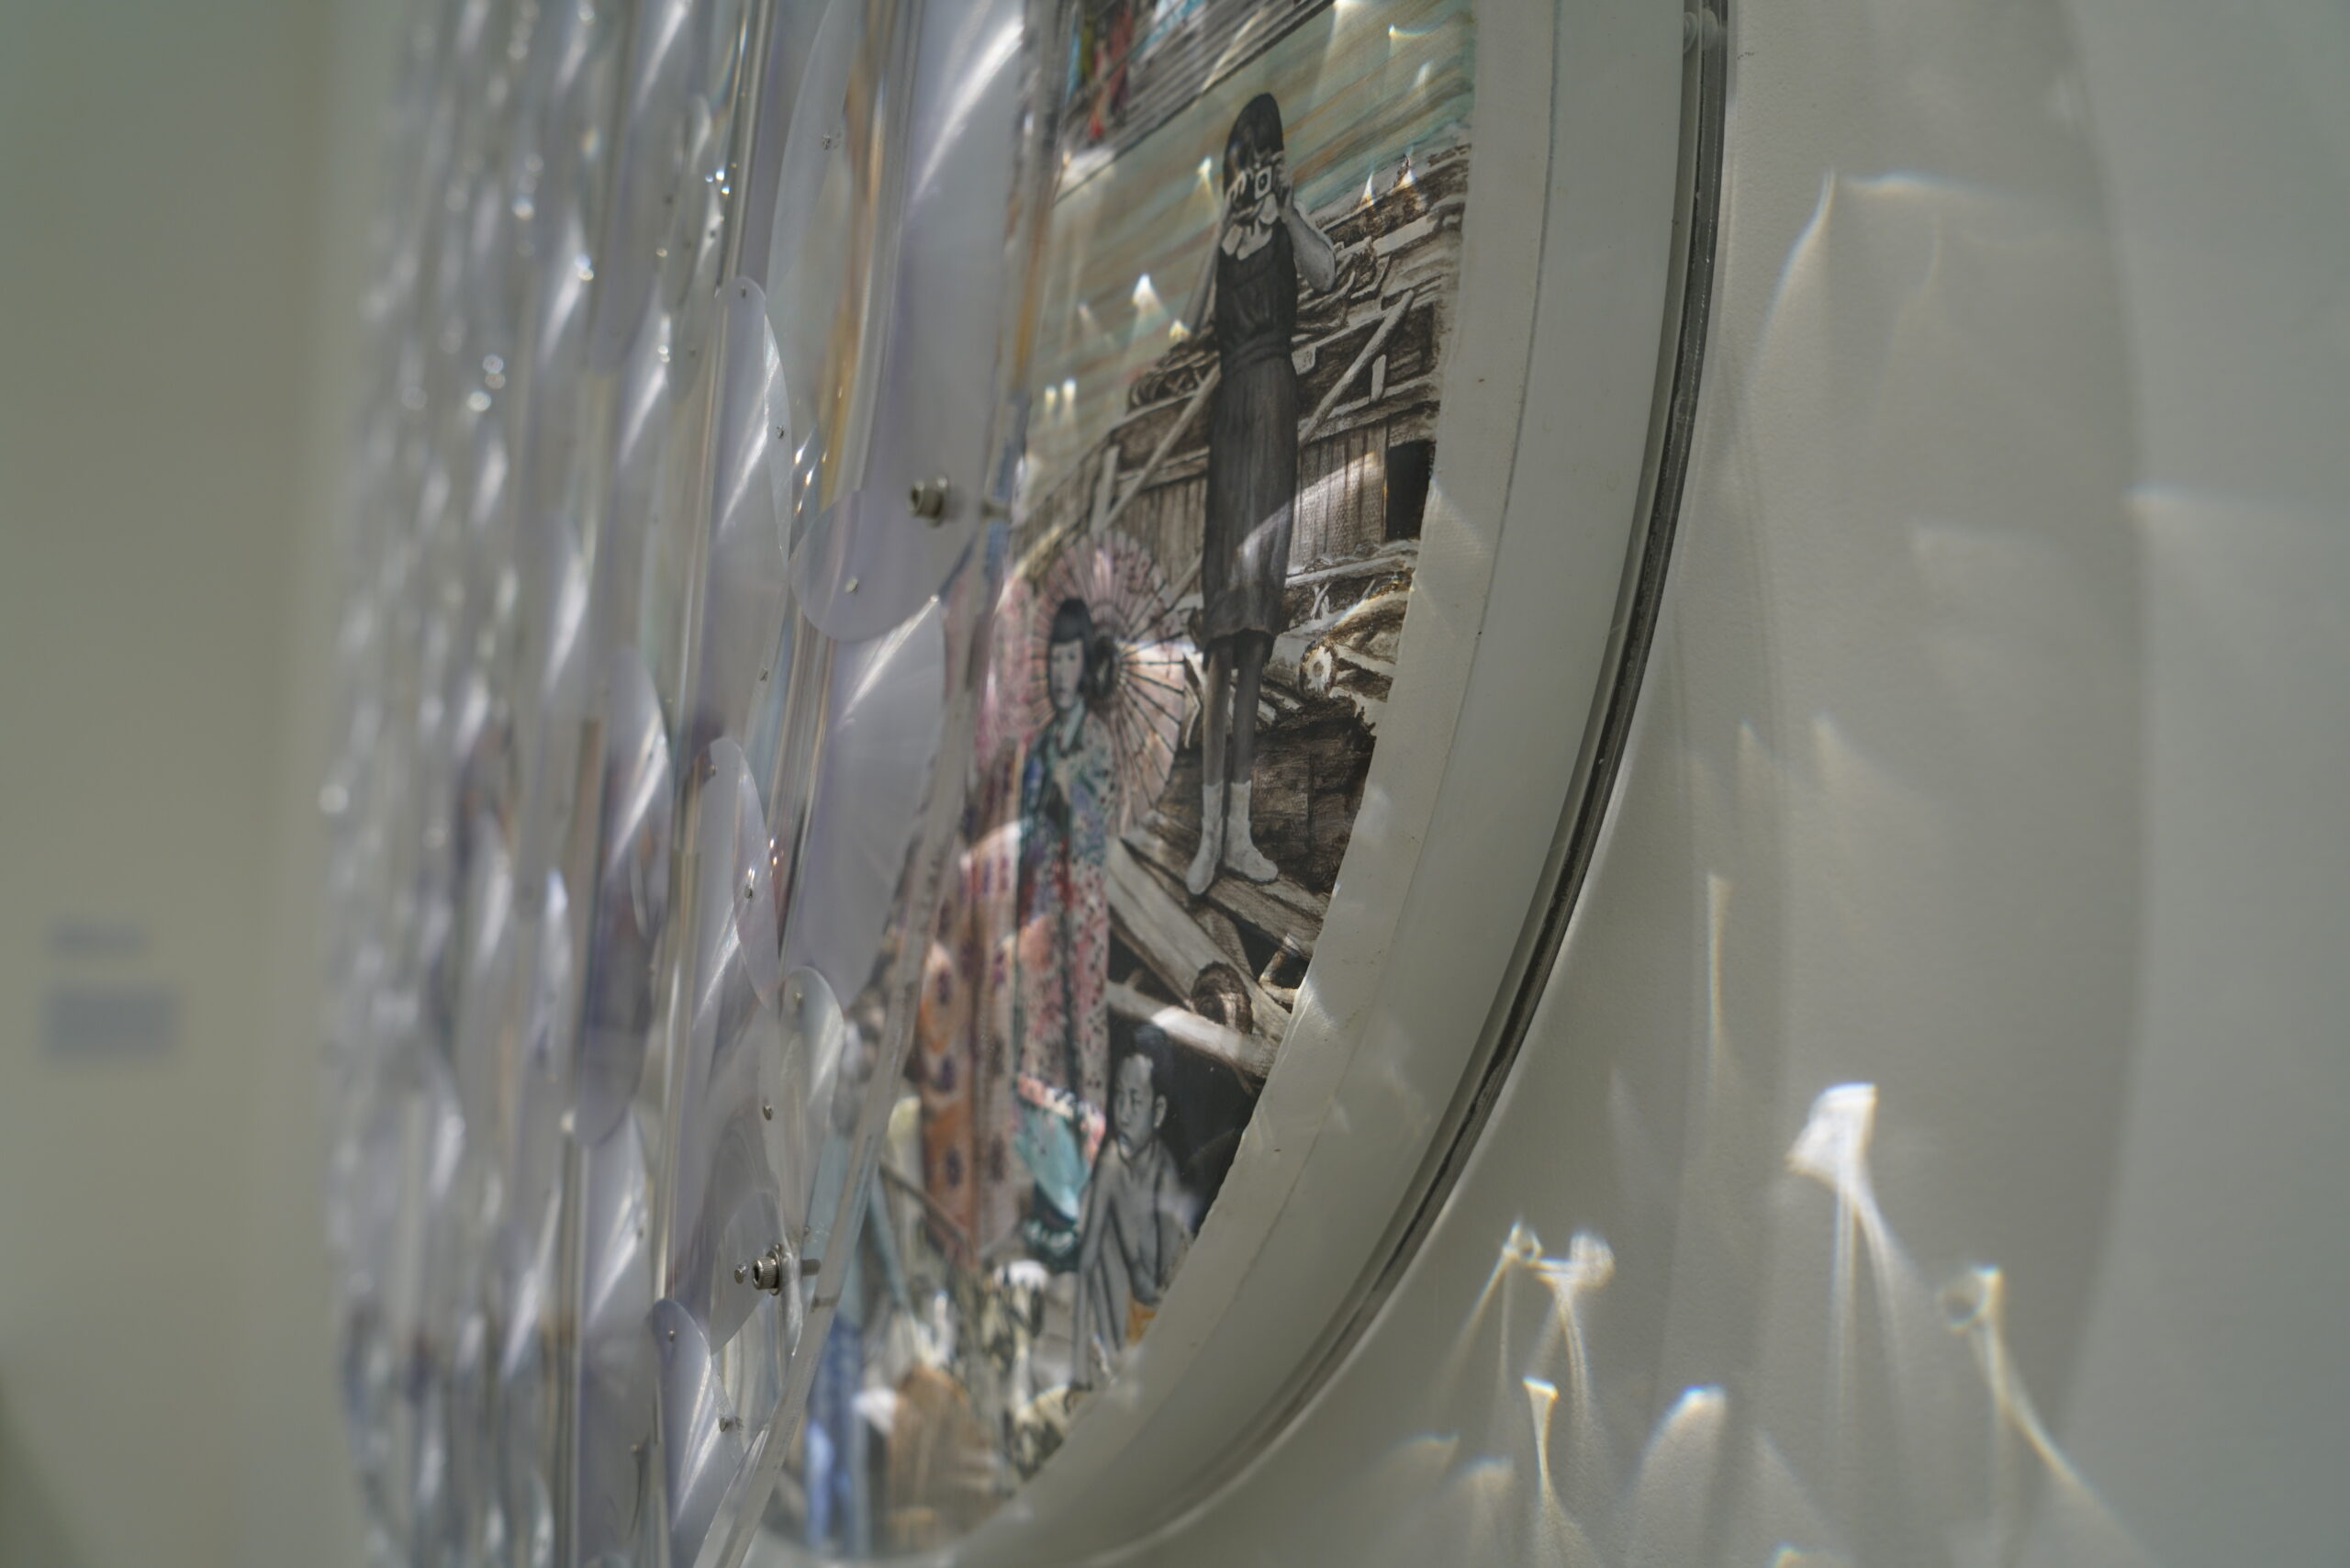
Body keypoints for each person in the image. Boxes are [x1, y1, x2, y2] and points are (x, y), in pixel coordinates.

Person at [1182, 92, 1338, 897]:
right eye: (1240, 169)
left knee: (1252, 639)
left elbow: (1328, 272)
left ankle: (1238, 834)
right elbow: (1188, 322)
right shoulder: (1231, 241)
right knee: (1219, 643)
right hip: (1232, 425)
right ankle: (1209, 835)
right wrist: (1223, 226)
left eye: (1258, 162)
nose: (1248, 179)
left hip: (1273, 413)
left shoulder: (1284, 228)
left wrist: (1290, 206)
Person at [1013, 598, 1120, 1263]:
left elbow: (1097, 827)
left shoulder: (1096, 742)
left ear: (1085, 666)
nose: (1059, 671)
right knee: (1040, 1041)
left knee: (1081, 1042)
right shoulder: (1042, 744)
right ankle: (1048, 1198)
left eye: (1070, 658)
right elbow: (1027, 832)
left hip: (1081, 914)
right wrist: (1036, 812)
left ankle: (1077, 1201)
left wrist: (1067, 791)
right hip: (1042, 912)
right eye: (1053, 659)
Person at [1069, 1025, 1194, 1383]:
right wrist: (1078, 1371)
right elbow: (1086, 1264)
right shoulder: (1112, 1166)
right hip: (1125, 1319)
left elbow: (1168, 1275)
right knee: (1099, 1244)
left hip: (1164, 1317)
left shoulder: (1164, 1172)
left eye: (1135, 1101)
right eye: (1119, 1096)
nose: (1122, 1114)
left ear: (1158, 1112)